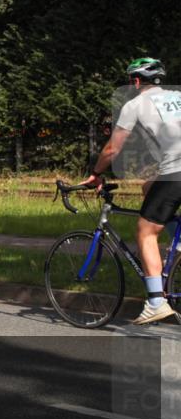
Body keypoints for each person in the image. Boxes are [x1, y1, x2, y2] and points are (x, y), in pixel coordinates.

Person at [80, 57, 181, 325]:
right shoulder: (177, 97)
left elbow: (113, 148)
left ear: (136, 81)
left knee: (145, 231)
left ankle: (156, 303)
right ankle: (178, 243)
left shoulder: (135, 104)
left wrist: (96, 173)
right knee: (149, 187)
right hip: (173, 171)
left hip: (177, 171)